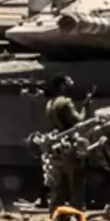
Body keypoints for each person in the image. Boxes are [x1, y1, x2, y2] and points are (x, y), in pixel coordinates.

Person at [45, 74, 87, 212]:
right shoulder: (65, 102)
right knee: (76, 186)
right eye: (69, 82)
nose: (71, 85)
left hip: (56, 148)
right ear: (62, 85)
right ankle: (76, 216)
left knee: (58, 188)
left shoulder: (50, 103)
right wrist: (86, 106)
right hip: (69, 148)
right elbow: (78, 120)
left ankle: (54, 216)